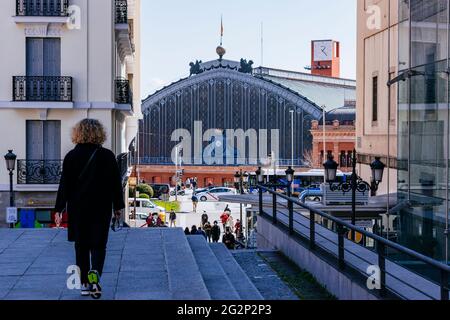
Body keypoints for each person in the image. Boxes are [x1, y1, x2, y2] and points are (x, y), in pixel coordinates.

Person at [55, 119, 125, 299]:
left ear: (78, 133)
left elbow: (65, 185)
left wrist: (59, 208)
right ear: (99, 133)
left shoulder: (71, 156)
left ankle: (85, 284)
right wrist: (118, 206)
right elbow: (115, 184)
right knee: (99, 245)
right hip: (101, 208)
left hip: (78, 208)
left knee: (81, 246)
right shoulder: (107, 156)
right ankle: (95, 277)